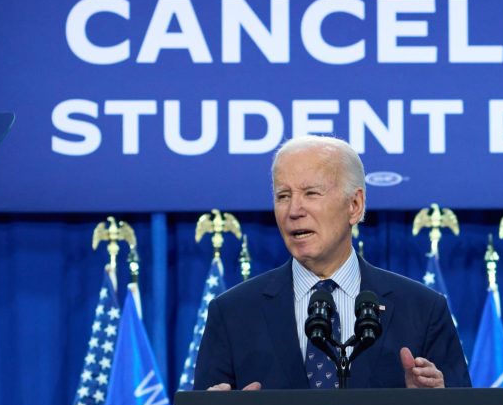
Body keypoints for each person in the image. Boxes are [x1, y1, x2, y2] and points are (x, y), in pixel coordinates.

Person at [192, 135, 470, 391]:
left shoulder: (423, 310)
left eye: (311, 193)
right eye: (283, 196)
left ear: (354, 205)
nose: (294, 211)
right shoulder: (232, 314)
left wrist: (435, 403)